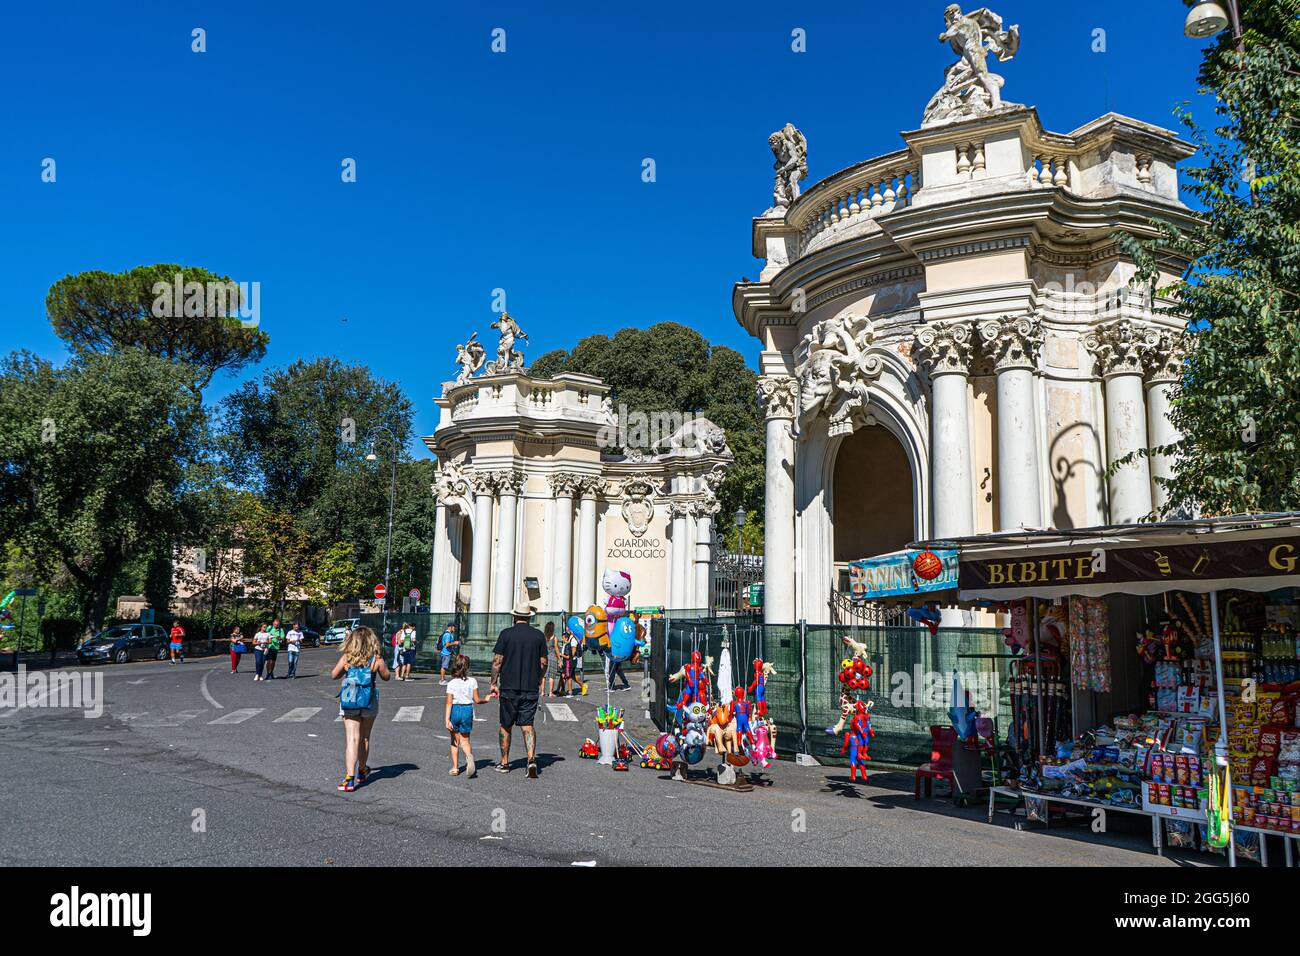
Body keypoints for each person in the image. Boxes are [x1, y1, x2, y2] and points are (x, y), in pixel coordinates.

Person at [489, 599, 548, 777]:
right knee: (527, 725)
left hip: (509, 687)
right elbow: (543, 662)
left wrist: (493, 682)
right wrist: (539, 678)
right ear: (529, 617)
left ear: (514, 616)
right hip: (530, 687)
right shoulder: (538, 636)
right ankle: (531, 759)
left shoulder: (506, 634)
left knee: (506, 725)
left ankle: (505, 763)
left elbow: (497, 661)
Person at [330, 625, 391, 792]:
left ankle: (349, 779)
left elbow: (334, 675)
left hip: (350, 698)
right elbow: (386, 676)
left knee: (352, 739)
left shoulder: (347, 658)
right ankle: (362, 770)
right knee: (364, 738)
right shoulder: (376, 660)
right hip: (368, 699)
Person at [444, 653, 491, 777]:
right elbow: (477, 700)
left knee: (454, 741)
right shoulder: (472, 681)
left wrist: (447, 719)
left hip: (455, 710)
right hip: (467, 710)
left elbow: (449, 703)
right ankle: (469, 757)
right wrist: (486, 699)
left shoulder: (451, 683)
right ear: (467, 667)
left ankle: (455, 768)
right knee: (465, 740)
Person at [544, 621, 560, 697]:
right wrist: (559, 659)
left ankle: (542, 692)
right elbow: (556, 648)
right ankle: (550, 692)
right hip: (553, 657)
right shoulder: (554, 637)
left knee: (544, 675)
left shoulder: (544, 636)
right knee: (552, 676)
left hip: (545, 657)